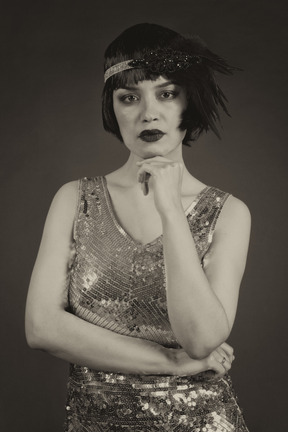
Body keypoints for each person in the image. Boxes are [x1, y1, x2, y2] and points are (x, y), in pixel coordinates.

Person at [25, 23, 251, 431]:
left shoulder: (229, 212)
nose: (148, 112)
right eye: (129, 97)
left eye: (166, 93)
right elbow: (42, 327)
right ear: (113, 108)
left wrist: (170, 209)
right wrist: (171, 362)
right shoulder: (74, 199)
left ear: (189, 101)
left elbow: (201, 339)